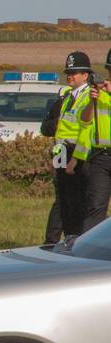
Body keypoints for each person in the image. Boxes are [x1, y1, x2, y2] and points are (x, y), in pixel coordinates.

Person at [41, 52, 92, 245]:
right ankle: (55, 240)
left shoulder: (89, 96)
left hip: (78, 152)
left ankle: (75, 237)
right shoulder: (67, 96)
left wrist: (77, 156)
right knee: (61, 197)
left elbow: (85, 129)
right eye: (68, 72)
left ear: (85, 75)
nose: (69, 76)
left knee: (77, 197)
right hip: (61, 151)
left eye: (75, 72)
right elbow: (54, 128)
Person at [76, 48, 111, 232]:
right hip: (101, 157)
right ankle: (87, 249)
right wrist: (92, 101)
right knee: (96, 206)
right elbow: (85, 120)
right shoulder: (100, 92)